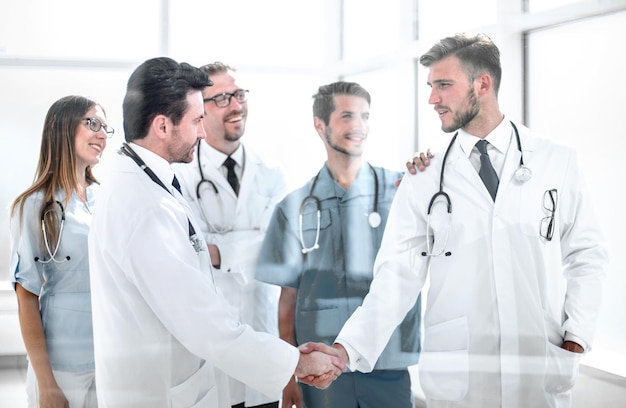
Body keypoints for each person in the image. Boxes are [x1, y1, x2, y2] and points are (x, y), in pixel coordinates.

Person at [332, 33, 608, 407]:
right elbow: (397, 277)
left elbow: (587, 254)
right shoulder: (423, 175)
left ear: (483, 84)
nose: (432, 99)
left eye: (443, 85)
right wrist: (347, 349)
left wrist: (577, 334)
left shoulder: (556, 160)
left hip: (539, 369)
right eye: (430, 86)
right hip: (458, 379)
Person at [87, 57, 343, 408]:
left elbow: (283, 250)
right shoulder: (144, 206)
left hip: (204, 367)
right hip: (161, 390)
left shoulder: (148, 183)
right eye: (196, 121)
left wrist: (222, 251)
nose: (203, 133)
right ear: (163, 126)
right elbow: (202, 322)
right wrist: (296, 362)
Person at [256, 81, 422, 408]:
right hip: (322, 372)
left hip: (387, 364)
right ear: (320, 126)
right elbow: (287, 301)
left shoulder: (402, 191)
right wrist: (288, 377)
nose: (359, 126)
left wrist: (426, 170)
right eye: (347, 116)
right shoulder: (293, 208)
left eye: (365, 116)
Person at [173, 62, 288, 408]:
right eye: (221, 98)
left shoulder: (272, 174)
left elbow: (280, 250)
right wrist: (251, 242)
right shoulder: (181, 175)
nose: (236, 105)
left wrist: (220, 253)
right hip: (209, 347)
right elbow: (185, 253)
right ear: (199, 110)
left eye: (239, 94)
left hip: (262, 340)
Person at [9, 95, 112, 407]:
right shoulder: (33, 205)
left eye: (106, 128)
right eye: (92, 123)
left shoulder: (106, 198)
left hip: (109, 358)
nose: (102, 134)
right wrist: (46, 383)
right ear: (58, 128)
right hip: (61, 366)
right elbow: (26, 296)